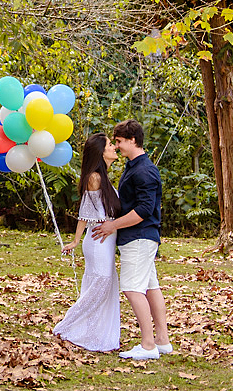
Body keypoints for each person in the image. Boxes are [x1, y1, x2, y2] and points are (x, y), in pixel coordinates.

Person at [92, 119, 172, 360]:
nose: (116, 146)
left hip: (139, 237)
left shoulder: (144, 170)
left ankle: (148, 345)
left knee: (131, 288)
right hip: (140, 237)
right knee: (150, 287)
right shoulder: (133, 166)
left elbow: (146, 208)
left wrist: (112, 226)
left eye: (118, 141)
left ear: (133, 140)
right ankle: (162, 340)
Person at [53, 132, 121, 351]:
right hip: (97, 239)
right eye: (111, 145)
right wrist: (75, 240)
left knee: (105, 284)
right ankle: (69, 324)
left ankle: (96, 332)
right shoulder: (94, 177)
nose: (115, 148)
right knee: (100, 282)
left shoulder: (103, 177)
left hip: (106, 240)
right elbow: (86, 212)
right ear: (101, 152)